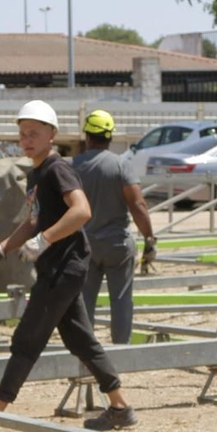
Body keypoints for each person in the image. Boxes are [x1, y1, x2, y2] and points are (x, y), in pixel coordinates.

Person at [0, 101, 137, 432]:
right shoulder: (37, 174)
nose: (27, 139)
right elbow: (32, 221)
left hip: (64, 267)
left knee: (27, 339)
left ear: (52, 135)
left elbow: (81, 211)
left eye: (34, 133)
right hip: (62, 267)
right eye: (22, 134)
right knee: (81, 341)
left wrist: (45, 240)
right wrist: (2, 248)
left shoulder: (56, 169)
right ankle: (120, 408)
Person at [71, 109, 157, 345]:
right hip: (117, 245)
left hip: (84, 246)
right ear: (110, 137)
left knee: (84, 302)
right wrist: (149, 237)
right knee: (121, 301)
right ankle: (120, 351)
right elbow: (138, 204)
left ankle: (86, 354)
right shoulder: (121, 165)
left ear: (87, 136)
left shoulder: (73, 167)